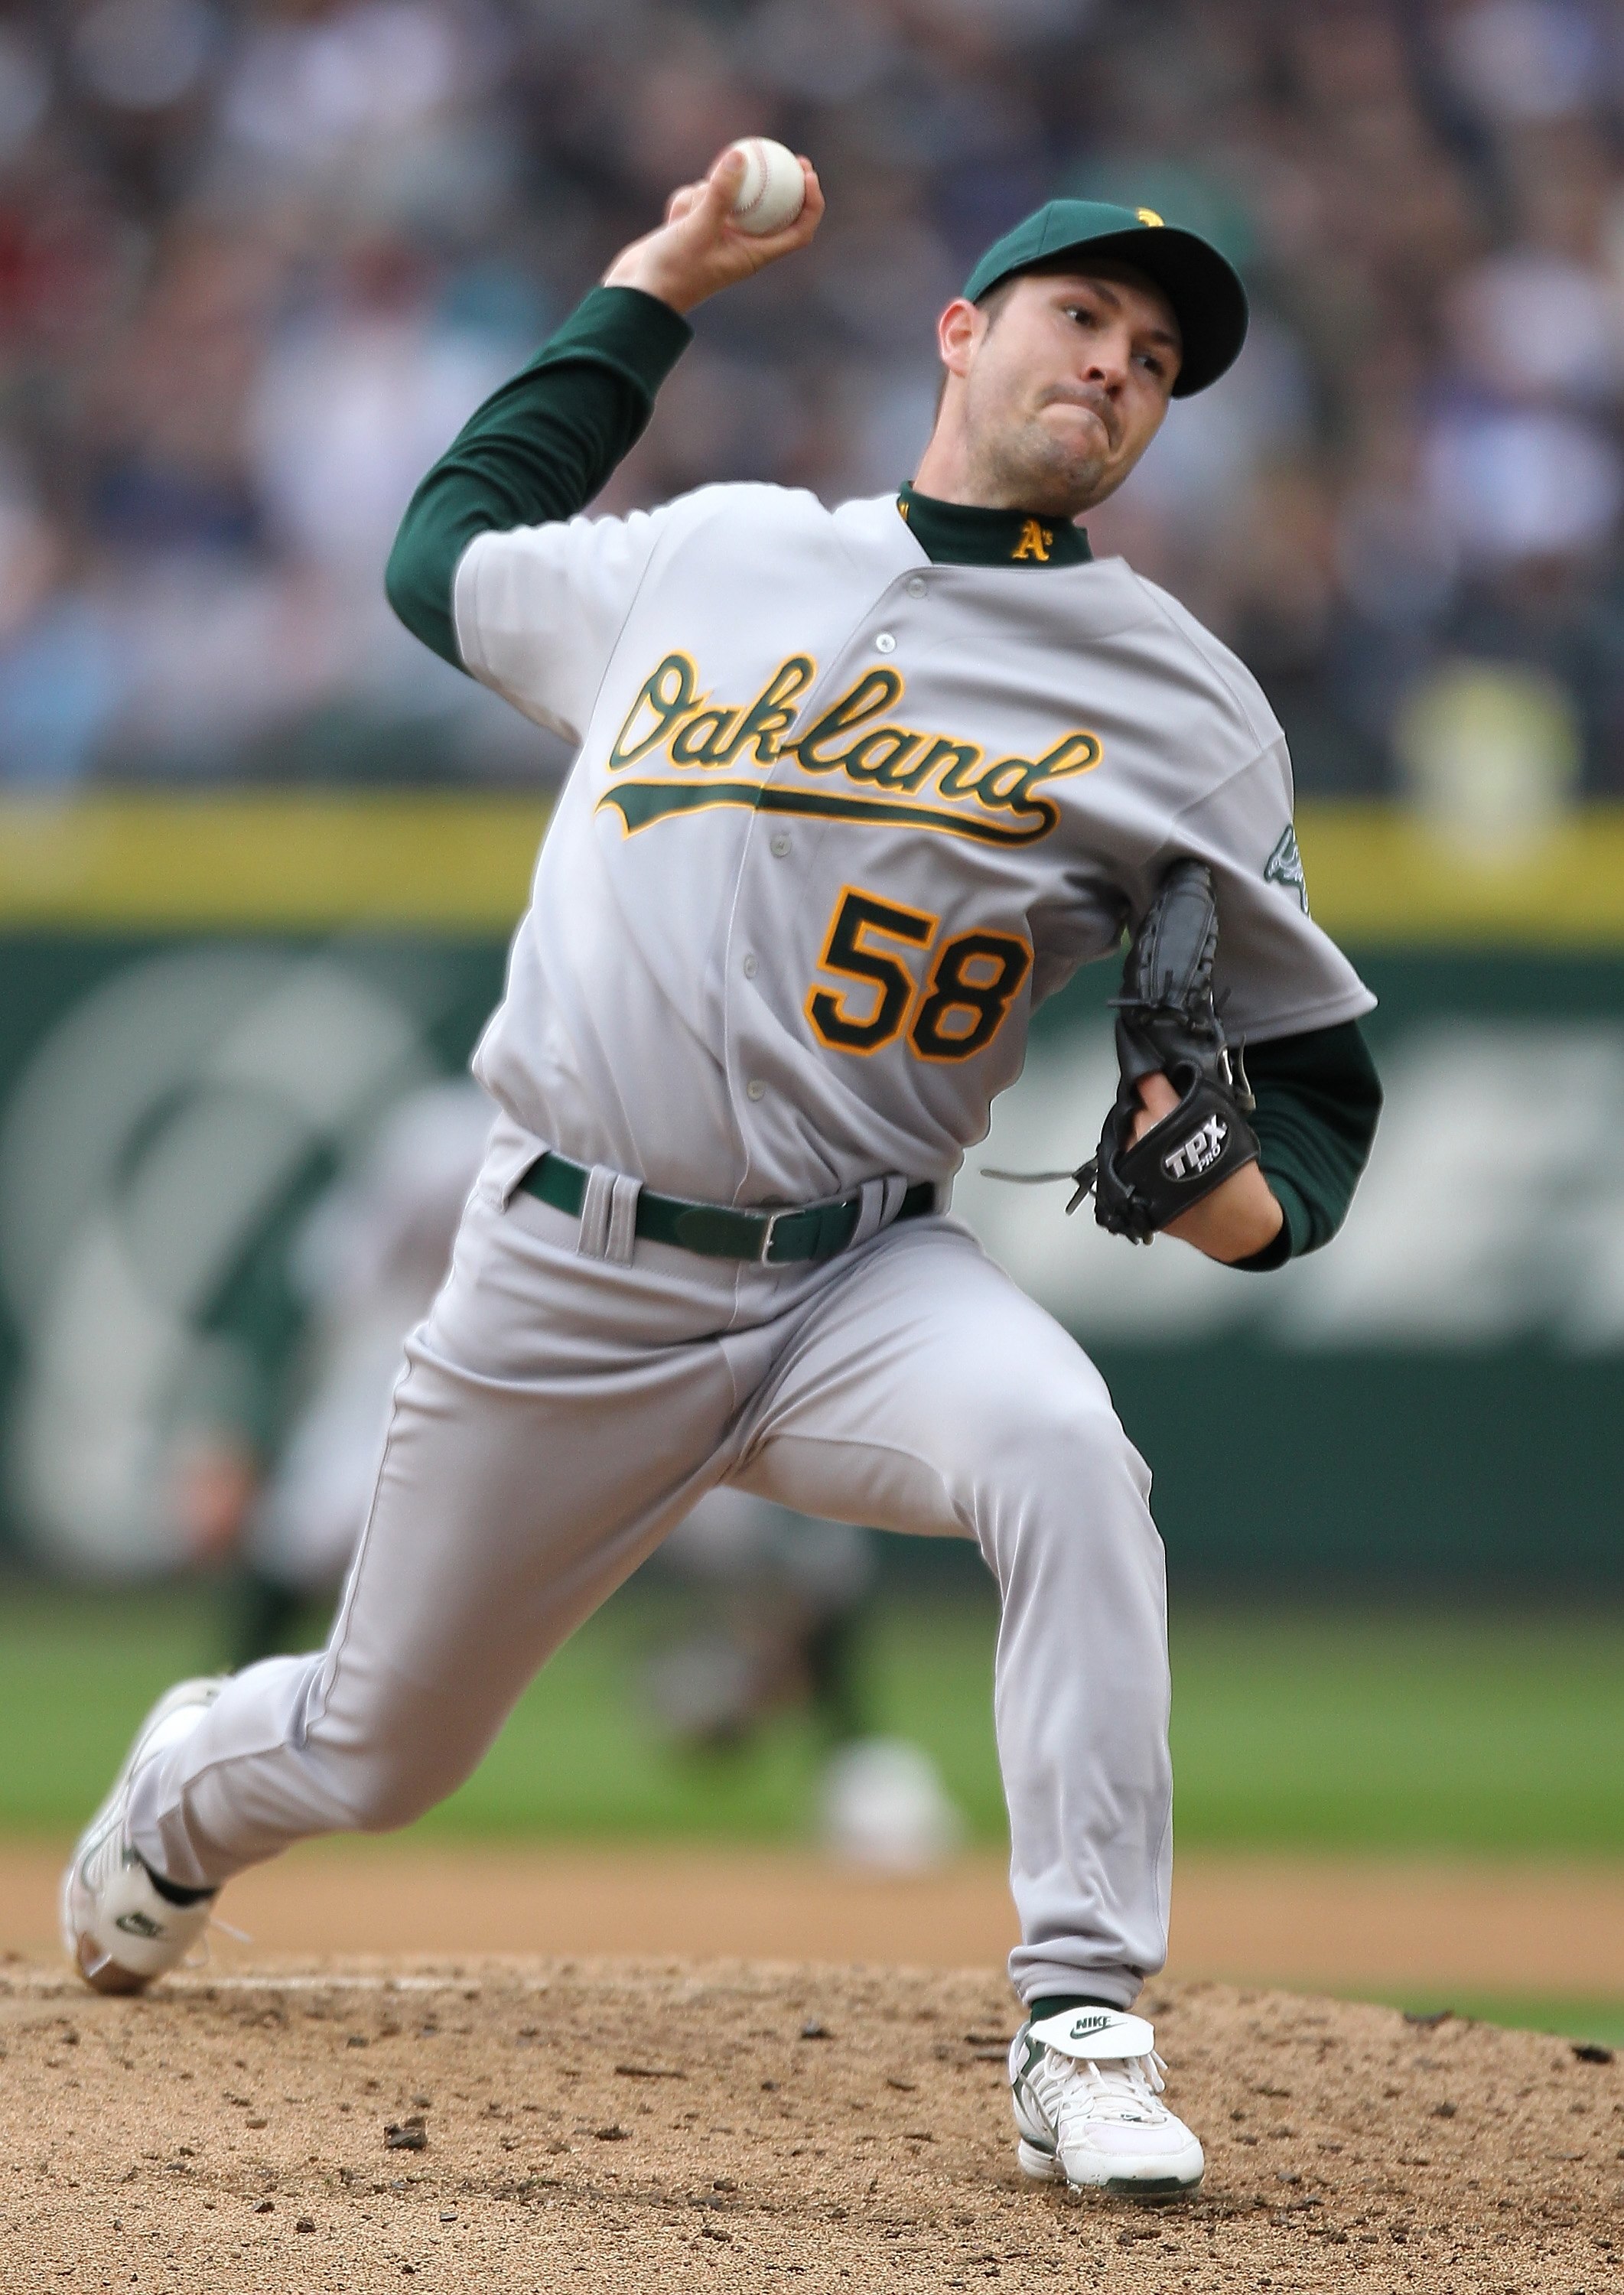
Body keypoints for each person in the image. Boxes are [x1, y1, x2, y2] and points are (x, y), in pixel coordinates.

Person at [63, 154, 1382, 2200]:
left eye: (1153, 360)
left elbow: (1306, 1104)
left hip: (858, 1285)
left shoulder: (1180, 701)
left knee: (1061, 1449)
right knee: (377, 1751)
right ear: (963, 332)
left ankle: (1080, 2022)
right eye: (1077, 318)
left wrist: (1228, 1192)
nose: (1112, 368)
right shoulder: (721, 555)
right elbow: (445, 556)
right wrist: (652, 285)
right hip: (568, 1267)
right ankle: (178, 1798)